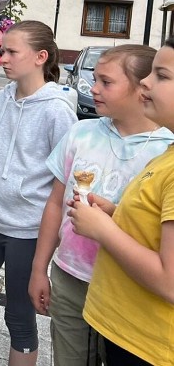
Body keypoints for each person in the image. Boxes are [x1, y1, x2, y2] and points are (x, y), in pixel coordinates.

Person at [29, 45, 173, 366]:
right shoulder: (81, 133)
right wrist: (39, 268)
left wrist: (105, 227)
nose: (92, 89)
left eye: (106, 82)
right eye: (94, 80)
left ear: (140, 90)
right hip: (69, 277)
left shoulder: (164, 152)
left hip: (129, 292)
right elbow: (55, 203)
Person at [0, 20, 77, 366]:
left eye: (11, 51)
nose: (2, 56)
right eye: (2, 49)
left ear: (40, 57)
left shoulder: (56, 111)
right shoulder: (1, 99)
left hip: (27, 232)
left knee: (19, 318)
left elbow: (64, 182)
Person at [70, 36, 174, 365]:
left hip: (147, 348)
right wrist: (116, 215)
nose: (145, 81)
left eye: (162, 75)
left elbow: (170, 281)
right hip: (127, 335)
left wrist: (104, 230)